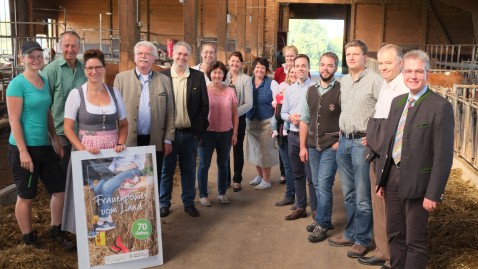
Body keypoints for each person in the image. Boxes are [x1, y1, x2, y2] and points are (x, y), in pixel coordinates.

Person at [376, 50, 454, 269]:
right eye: (408, 71)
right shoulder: (397, 102)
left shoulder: (440, 107)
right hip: (393, 179)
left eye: (418, 71)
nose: (413, 76)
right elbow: (389, 143)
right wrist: (382, 180)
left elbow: (443, 155)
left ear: (427, 73)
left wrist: (433, 192)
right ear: (402, 72)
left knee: (414, 241)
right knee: (394, 234)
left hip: (419, 185)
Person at [6, 41, 72, 249]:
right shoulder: (17, 84)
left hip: (44, 145)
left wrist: (54, 138)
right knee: (26, 195)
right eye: (30, 56)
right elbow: (14, 120)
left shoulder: (43, 81)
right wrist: (23, 152)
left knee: (60, 190)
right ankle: (28, 237)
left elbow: (47, 112)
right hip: (24, 147)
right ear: (22, 58)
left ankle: (56, 230)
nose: (35, 59)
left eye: (39, 55)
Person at [62, 49, 128, 234]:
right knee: (87, 196)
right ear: (85, 70)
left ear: (104, 69)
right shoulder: (76, 94)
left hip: (111, 155)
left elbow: (123, 124)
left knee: (108, 192)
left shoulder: (115, 93)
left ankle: (108, 232)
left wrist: (121, 142)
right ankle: (85, 239)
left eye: (98, 67)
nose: (94, 72)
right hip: (87, 156)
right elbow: (68, 128)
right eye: (90, 68)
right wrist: (82, 149)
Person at [327, 40, 382, 259]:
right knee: (348, 193)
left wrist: (374, 135)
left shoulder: (375, 81)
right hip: (345, 142)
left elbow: (384, 110)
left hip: (361, 143)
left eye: (355, 54)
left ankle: (363, 239)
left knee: (362, 195)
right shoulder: (343, 82)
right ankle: (350, 233)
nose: (351, 57)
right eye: (348, 54)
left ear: (365, 57)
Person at [358, 44, 409, 269]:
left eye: (388, 62)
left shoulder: (403, 89)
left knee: (392, 211)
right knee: (379, 206)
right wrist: (372, 137)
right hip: (377, 153)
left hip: (391, 158)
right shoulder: (386, 87)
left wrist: (375, 136)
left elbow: (397, 129)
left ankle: (393, 258)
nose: (384, 67)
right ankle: (382, 250)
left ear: (400, 63)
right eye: (380, 63)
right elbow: (379, 122)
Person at [160, 41, 209, 218]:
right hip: (169, 135)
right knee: (167, 170)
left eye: (185, 55)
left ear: (190, 57)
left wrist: (200, 130)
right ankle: (164, 203)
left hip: (190, 134)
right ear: (173, 54)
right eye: (179, 54)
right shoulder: (163, 76)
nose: (182, 57)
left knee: (189, 170)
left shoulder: (197, 77)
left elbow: (205, 105)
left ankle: (188, 202)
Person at [114, 41, 175, 178]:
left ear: (154, 58)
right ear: (135, 57)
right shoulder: (121, 79)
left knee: (152, 179)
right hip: (128, 141)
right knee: (129, 179)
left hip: (155, 140)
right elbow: (115, 112)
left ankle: (154, 201)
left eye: (148, 54)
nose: (143, 57)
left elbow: (170, 112)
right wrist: (117, 140)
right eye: (140, 53)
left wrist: (168, 139)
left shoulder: (164, 81)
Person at [299, 52, 341, 242]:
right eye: (323, 65)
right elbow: (304, 120)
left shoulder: (341, 90)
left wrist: (339, 142)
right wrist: (302, 146)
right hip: (312, 145)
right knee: (316, 183)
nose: (325, 68)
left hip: (330, 146)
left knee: (324, 184)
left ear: (336, 68)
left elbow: (346, 117)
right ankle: (323, 219)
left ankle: (322, 224)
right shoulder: (310, 90)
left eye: (330, 65)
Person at [42, 30, 87, 173]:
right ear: (60, 46)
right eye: (66, 45)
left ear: (79, 48)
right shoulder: (50, 71)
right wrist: (52, 137)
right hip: (61, 132)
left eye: (74, 46)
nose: (70, 50)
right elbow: (45, 105)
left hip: (83, 131)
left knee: (82, 172)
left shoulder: (85, 69)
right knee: (64, 173)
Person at [280, 54, 317, 220]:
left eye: (304, 65)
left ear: (309, 68)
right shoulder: (290, 89)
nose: (300, 69)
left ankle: (316, 210)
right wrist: (290, 117)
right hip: (293, 136)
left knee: (311, 175)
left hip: (309, 137)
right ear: (292, 69)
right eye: (297, 66)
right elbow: (283, 112)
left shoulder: (315, 88)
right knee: (297, 173)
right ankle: (301, 206)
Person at [197, 61, 238, 206]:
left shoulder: (230, 91)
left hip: (225, 133)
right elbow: (198, 113)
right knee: (204, 164)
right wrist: (199, 133)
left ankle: (222, 193)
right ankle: (203, 195)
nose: (217, 75)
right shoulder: (204, 90)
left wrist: (234, 134)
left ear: (224, 75)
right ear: (210, 74)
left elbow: (235, 114)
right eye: (214, 72)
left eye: (220, 72)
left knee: (223, 163)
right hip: (207, 133)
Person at [88, 155, 145, 234]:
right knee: (97, 188)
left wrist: (125, 168)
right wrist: (107, 171)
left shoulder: (133, 143)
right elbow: (114, 163)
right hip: (117, 172)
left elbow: (139, 162)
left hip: (132, 170)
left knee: (106, 187)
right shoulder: (118, 146)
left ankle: (100, 222)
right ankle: (109, 220)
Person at [246, 57, 279, 190]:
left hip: (266, 122)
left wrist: (275, 124)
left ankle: (266, 180)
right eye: (257, 67)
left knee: (265, 151)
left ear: (266, 71)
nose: (260, 70)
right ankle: (259, 176)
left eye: (263, 68)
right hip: (251, 121)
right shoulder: (248, 82)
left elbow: (278, 104)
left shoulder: (272, 83)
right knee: (254, 150)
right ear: (253, 69)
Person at [224, 51, 253, 192]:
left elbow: (249, 103)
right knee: (224, 150)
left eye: (238, 61)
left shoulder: (246, 79)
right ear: (228, 61)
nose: (235, 63)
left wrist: (234, 114)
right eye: (233, 60)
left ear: (241, 64)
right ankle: (225, 179)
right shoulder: (223, 76)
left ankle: (237, 179)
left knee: (237, 149)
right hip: (222, 119)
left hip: (239, 119)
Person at [274, 45, 298, 184]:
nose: (289, 58)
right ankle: (283, 173)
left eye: (292, 56)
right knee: (282, 144)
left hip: (293, 116)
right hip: (280, 106)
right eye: (287, 56)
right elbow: (276, 90)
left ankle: (293, 178)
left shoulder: (300, 71)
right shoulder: (278, 71)